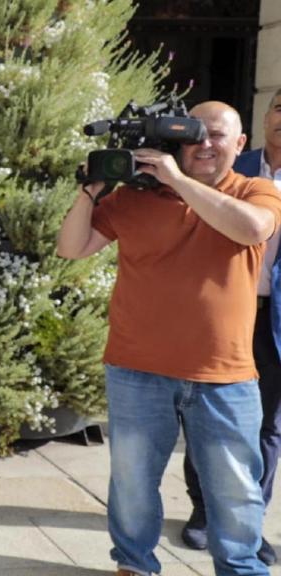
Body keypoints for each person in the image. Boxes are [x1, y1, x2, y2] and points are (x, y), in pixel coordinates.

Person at [57, 101, 281, 576]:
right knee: (133, 484)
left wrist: (177, 180)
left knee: (235, 490)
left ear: (240, 144)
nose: (205, 144)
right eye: (195, 134)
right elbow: (71, 248)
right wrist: (89, 193)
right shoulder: (134, 199)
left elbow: (252, 229)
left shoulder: (254, 190)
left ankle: (241, 569)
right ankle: (134, 565)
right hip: (136, 370)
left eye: (217, 135)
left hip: (225, 375)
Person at [180, 88, 281, 566]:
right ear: (261, 120)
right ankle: (203, 510)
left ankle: (247, 522)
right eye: (279, 107)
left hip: (274, 320)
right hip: (220, 311)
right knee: (201, 411)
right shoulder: (226, 163)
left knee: (267, 426)